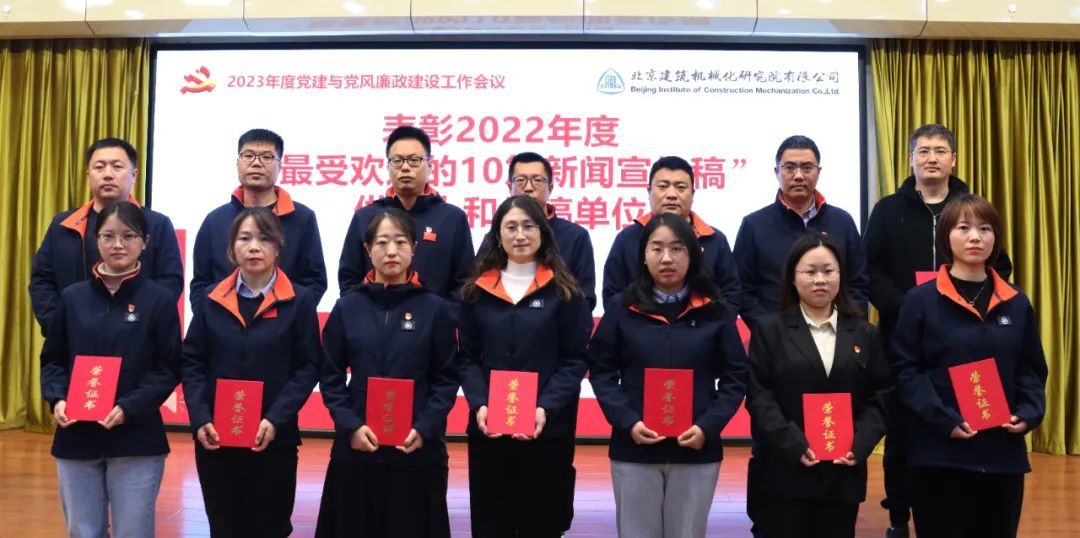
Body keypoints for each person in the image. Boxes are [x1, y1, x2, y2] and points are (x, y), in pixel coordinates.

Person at [862, 123, 1013, 537]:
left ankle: (966, 505)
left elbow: (999, 267)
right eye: (923, 150)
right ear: (910, 158)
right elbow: (868, 269)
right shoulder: (888, 210)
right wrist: (908, 306)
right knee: (902, 430)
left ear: (954, 159)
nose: (932, 158)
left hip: (965, 337)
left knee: (965, 419)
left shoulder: (972, 211)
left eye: (940, 150)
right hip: (901, 336)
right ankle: (898, 516)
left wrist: (965, 306)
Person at [890, 194, 1046, 538]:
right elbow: (906, 371)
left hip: (1002, 453)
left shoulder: (1016, 301)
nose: (975, 237)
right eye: (964, 228)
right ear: (946, 236)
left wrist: (1029, 413)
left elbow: (1031, 368)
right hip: (939, 452)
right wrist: (943, 419)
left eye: (985, 228)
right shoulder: (920, 300)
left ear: (996, 238)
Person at [588, 213, 748, 538]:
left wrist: (708, 426)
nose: (666, 258)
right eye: (656, 248)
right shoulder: (622, 308)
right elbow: (602, 371)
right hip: (634, 447)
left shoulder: (714, 311)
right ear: (643, 256)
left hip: (696, 448)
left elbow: (736, 376)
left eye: (676, 249)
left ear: (692, 255)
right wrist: (628, 421)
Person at [40, 201, 182, 537]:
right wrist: (57, 399)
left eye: (128, 236)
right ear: (96, 240)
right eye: (108, 236)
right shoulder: (72, 298)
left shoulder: (159, 300)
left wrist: (128, 407)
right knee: (82, 530)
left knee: (133, 531)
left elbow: (168, 367)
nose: (118, 244)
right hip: (76, 436)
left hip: (136, 437)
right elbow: (53, 360)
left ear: (144, 242)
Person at [315, 208, 459, 538]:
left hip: (416, 447)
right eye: (381, 243)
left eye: (400, 242)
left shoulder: (434, 308)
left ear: (414, 247)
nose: (391, 251)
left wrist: (424, 427)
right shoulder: (348, 307)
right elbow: (331, 375)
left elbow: (446, 379)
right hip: (357, 446)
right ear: (367, 250)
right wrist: (351, 426)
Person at [181, 207, 322, 538]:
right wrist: (200, 418)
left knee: (270, 526)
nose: (254, 247)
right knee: (224, 525)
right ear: (232, 249)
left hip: (274, 437)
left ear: (278, 247)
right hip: (216, 437)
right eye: (244, 238)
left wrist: (276, 418)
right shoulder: (212, 299)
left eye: (264, 239)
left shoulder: (299, 301)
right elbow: (192, 362)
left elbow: (307, 366)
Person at [457, 195, 592, 537]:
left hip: (548, 429)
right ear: (497, 235)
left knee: (543, 522)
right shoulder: (476, 291)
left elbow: (575, 360)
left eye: (529, 226)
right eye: (511, 227)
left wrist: (545, 406)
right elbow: (467, 358)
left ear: (543, 233)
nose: (520, 235)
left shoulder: (565, 292)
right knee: (492, 523)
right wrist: (480, 403)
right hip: (490, 430)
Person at [745, 233, 891, 538]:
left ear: (841, 275)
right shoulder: (770, 331)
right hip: (783, 472)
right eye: (810, 272)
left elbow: (881, 394)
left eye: (828, 271)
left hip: (842, 473)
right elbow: (759, 396)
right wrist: (793, 443)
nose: (820, 279)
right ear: (793, 277)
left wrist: (860, 442)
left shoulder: (864, 333)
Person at [30, 137, 182, 335]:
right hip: (73, 338)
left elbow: (169, 281)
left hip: (138, 338)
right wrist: (59, 326)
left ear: (134, 175)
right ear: (88, 175)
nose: (108, 175)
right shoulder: (63, 225)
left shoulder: (156, 225)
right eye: (99, 167)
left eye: (117, 167)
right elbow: (41, 280)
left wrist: (139, 326)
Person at [734, 135, 868, 330]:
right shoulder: (753, 225)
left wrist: (844, 327)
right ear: (776, 172)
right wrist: (770, 330)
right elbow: (742, 290)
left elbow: (858, 283)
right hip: (774, 337)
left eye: (807, 168)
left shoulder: (842, 222)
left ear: (818, 172)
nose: (798, 175)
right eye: (789, 168)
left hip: (834, 333)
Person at [190, 128, 326, 314]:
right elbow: (200, 282)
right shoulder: (215, 220)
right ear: (237, 163)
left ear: (280, 166)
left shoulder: (302, 218)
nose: (256, 163)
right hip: (224, 325)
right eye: (248, 155)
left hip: (283, 324)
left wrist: (289, 317)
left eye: (266, 157)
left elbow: (315, 281)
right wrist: (214, 320)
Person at [339, 126, 474, 301]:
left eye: (414, 160)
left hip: (435, 318)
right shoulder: (365, 217)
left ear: (430, 165)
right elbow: (349, 279)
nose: (405, 167)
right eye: (397, 161)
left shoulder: (452, 218)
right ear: (387, 166)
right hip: (375, 317)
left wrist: (441, 314)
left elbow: (465, 282)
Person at [602, 155, 741, 312]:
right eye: (663, 186)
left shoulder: (714, 239)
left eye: (680, 187)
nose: (672, 195)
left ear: (693, 194)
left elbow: (731, 296)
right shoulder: (627, 238)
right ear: (649, 191)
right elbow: (612, 296)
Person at [505, 151, 596, 310]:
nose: (528, 188)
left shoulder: (575, 237)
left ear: (551, 188)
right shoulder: (498, 235)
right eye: (520, 180)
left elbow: (585, 298)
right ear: (509, 187)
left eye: (538, 180)